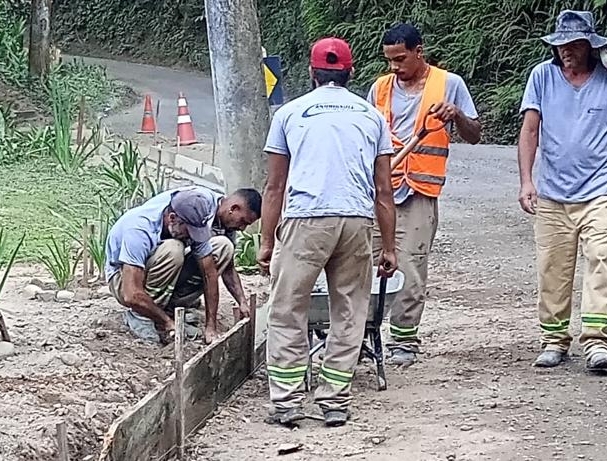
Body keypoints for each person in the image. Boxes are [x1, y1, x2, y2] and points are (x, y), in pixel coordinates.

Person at [258, 37, 398, 428]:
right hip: (356, 220)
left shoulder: (290, 113)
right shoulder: (372, 117)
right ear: (350, 72)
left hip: (306, 220)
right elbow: (384, 191)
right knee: (350, 311)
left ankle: (286, 403)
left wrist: (267, 242)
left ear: (311, 72)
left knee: (288, 309)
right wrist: (389, 247)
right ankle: (334, 400)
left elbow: (274, 186)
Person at [517, 10, 607, 372]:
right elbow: (530, 130)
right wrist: (527, 181)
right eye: (561, 45)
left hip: (600, 191)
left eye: (574, 45)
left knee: (601, 260)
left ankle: (598, 342)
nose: (566, 51)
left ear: (590, 46)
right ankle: (554, 339)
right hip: (553, 194)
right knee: (552, 269)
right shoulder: (542, 76)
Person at [364, 23, 483, 366]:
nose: (394, 67)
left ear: (419, 52)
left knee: (411, 267)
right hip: (379, 191)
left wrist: (456, 114)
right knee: (364, 266)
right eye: (389, 60)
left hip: (418, 191)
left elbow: (475, 134)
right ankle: (360, 336)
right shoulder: (380, 88)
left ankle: (404, 341)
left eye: (400, 59)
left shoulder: (449, 84)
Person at [105, 186, 262, 344]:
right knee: (174, 249)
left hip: (154, 271)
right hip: (122, 279)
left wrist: (211, 327)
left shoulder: (196, 215)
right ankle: (142, 315)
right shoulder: (139, 230)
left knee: (222, 246)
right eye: (243, 221)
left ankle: (168, 308)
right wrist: (167, 322)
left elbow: (210, 273)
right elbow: (131, 294)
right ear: (172, 218)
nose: (242, 228)